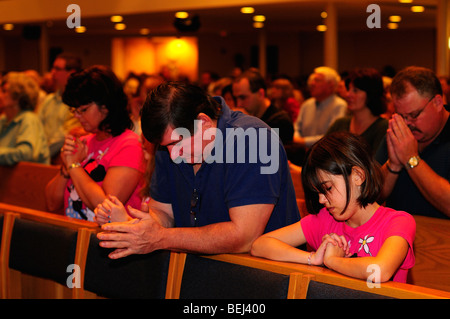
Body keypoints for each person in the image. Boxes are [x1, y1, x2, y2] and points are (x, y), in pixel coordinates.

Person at [96, 81, 300, 258]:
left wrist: (161, 238)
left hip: (265, 276)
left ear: (203, 122)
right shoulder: (170, 143)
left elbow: (244, 238)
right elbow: (163, 213)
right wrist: (134, 227)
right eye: (166, 146)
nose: (173, 155)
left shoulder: (254, 139)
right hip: (199, 270)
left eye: (177, 143)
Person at [251, 131, 415, 283]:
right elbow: (260, 245)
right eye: (318, 192)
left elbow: (380, 270)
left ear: (358, 176)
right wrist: (313, 258)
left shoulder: (398, 222)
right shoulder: (324, 220)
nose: (321, 200)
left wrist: (333, 261)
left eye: (328, 188)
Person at [45, 66, 145, 223]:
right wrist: (66, 168)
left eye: (83, 110)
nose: (77, 116)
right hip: (76, 235)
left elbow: (106, 208)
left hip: (109, 241)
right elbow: (51, 204)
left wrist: (73, 165)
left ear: (106, 107)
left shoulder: (130, 145)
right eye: (74, 110)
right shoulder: (85, 141)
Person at [376, 66, 450, 219]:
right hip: (396, 237)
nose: (407, 123)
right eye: (401, 116)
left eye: (414, 115)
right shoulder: (398, 132)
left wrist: (411, 159)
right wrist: (393, 165)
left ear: (437, 102)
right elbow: (369, 198)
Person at [327, 68, 388, 153]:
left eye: (355, 91)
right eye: (348, 89)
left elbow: (376, 164)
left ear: (371, 94)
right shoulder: (340, 124)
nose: (348, 95)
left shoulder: (383, 127)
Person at [37, 53, 84, 159]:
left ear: (71, 73)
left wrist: (41, 154)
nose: (52, 72)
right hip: (42, 155)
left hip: (61, 157)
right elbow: (37, 128)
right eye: (52, 68)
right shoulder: (48, 100)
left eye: (57, 69)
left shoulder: (78, 103)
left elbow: (66, 135)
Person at [232, 69, 294, 145]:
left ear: (260, 94)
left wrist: (246, 123)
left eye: (243, 97)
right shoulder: (250, 114)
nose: (238, 104)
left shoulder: (280, 121)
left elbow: (264, 153)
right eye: (236, 98)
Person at [0, 72, 50, 165]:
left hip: (31, 177)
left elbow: (26, 154)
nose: (0, 95)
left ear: (17, 97)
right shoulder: (3, 119)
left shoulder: (29, 119)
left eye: (4, 91)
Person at [293, 66, 347, 149]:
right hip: (303, 152)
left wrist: (303, 141)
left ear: (331, 85)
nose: (312, 84)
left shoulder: (340, 106)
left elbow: (333, 136)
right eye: (312, 80)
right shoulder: (307, 104)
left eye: (317, 80)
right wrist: (296, 138)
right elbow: (297, 127)